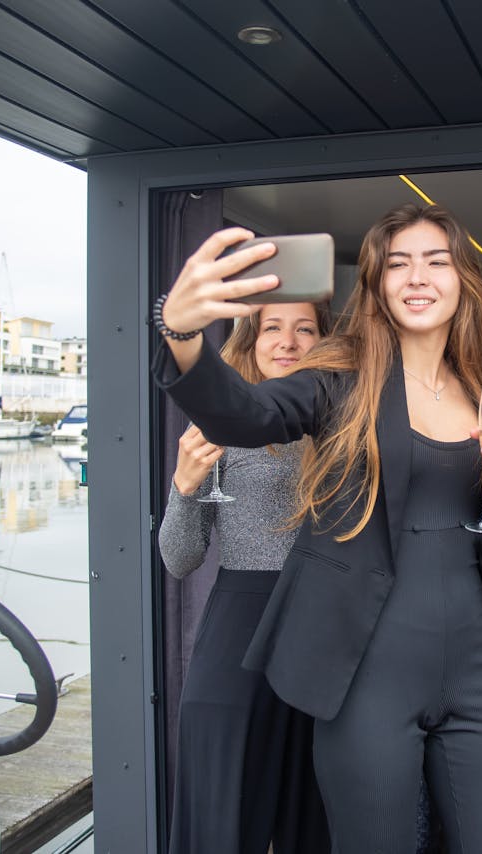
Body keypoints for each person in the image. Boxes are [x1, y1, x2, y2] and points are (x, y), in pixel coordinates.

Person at [156, 203, 482, 852]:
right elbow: (243, 414)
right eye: (398, 264)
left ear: (462, 279)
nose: (417, 277)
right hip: (367, 677)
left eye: (435, 261)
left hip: (480, 672)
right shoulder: (339, 384)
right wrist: (181, 332)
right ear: (377, 285)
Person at [158, 300, 332, 854]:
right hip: (240, 626)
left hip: (326, 628)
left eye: (304, 328)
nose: (287, 341)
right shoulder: (219, 424)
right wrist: (183, 487)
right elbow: (179, 560)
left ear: (324, 342)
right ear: (250, 339)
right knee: (222, 809)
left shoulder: (347, 425)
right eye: (271, 328)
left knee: (317, 812)